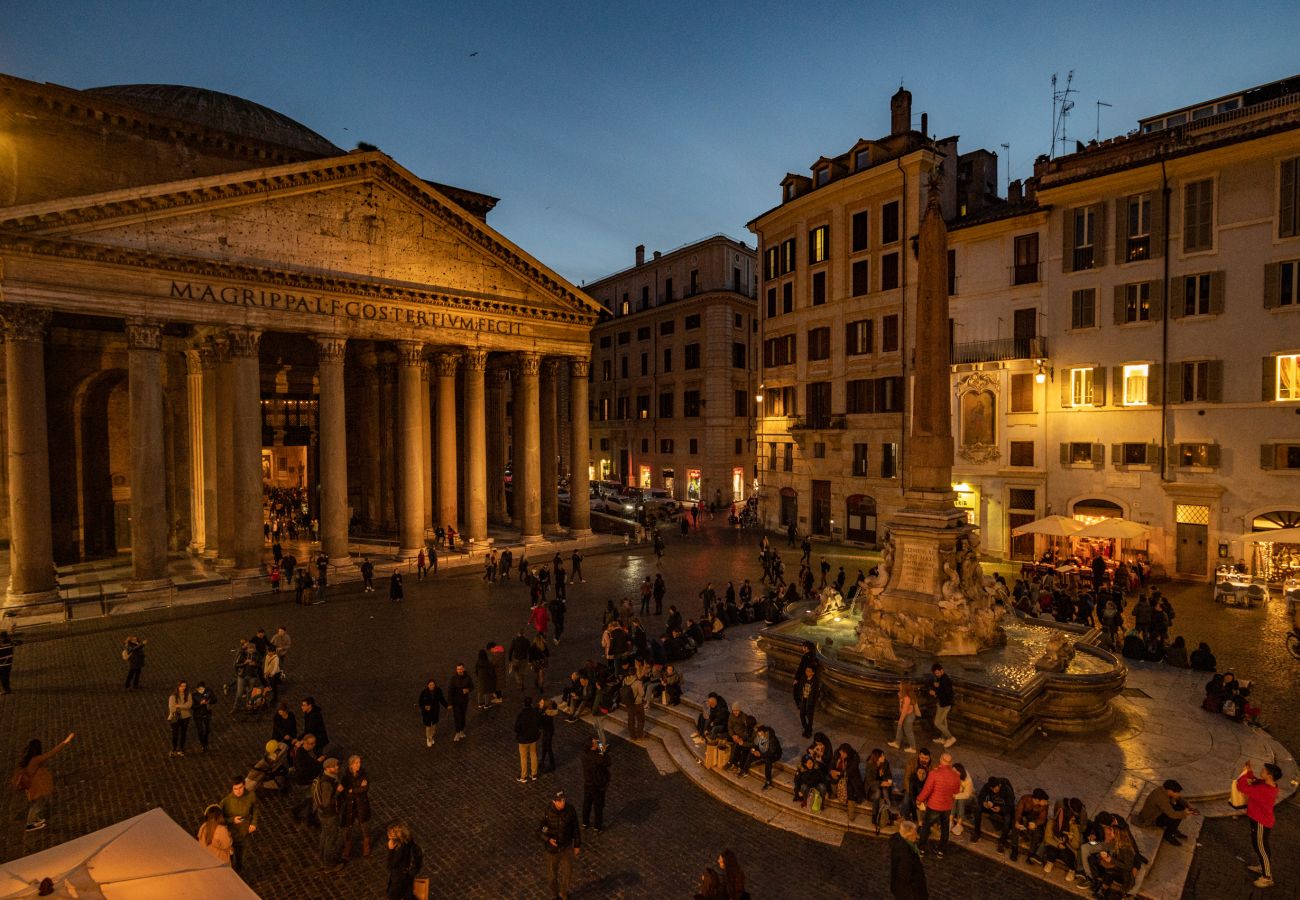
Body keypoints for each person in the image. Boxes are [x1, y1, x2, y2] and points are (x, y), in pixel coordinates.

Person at [12, 732, 74, 831]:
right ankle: (30, 824)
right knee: (37, 804)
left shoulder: (27, 758)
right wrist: (65, 742)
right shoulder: (36, 759)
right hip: (34, 785)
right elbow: (52, 753)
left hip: (31, 784)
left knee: (36, 802)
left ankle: (35, 819)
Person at [1236, 761, 1280, 888]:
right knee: (1260, 846)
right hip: (1259, 820)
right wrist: (1249, 772)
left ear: (1270, 776)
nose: (1261, 771)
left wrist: (1244, 775)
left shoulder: (1266, 790)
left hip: (1261, 822)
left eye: (1264, 771)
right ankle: (1263, 867)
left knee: (1261, 848)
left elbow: (1242, 788)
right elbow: (1255, 780)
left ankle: (1267, 877)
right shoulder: (1267, 784)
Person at [916, 752, 960, 857]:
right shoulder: (956, 776)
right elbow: (956, 790)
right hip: (947, 806)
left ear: (941, 760)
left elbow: (927, 790)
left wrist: (919, 799)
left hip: (934, 805)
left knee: (926, 827)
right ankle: (941, 851)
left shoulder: (934, 773)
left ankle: (921, 849)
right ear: (950, 762)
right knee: (945, 829)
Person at [540, 790, 581, 900]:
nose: (562, 803)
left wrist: (577, 845)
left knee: (567, 873)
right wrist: (548, 839)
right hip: (552, 850)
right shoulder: (548, 811)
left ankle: (564, 893)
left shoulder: (570, 810)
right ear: (554, 801)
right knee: (551, 877)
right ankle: (555, 895)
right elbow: (540, 830)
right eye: (559, 801)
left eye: (563, 800)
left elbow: (576, 828)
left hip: (566, 847)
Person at [1135, 778, 1198, 846]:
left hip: (1158, 812)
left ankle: (1173, 830)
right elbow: (1172, 814)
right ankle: (1169, 835)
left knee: (1180, 807)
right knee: (1177, 815)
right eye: (1177, 792)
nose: (1178, 794)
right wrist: (1185, 813)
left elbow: (1178, 798)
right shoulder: (1161, 798)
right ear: (1170, 791)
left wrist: (1187, 804)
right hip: (1152, 818)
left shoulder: (1164, 790)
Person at [220, 776, 258, 872]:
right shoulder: (226, 802)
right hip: (230, 835)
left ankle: (239, 867)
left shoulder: (251, 796)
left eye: (240, 788)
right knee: (231, 855)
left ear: (244, 785)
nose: (238, 791)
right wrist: (232, 820)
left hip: (244, 832)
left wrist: (253, 823)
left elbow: (255, 809)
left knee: (241, 853)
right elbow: (220, 820)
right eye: (235, 789)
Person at [313, 758, 343, 872]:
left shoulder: (324, 777)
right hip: (329, 814)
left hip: (322, 814)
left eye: (336, 765)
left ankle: (322, 858)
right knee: (330, 839)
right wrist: (338, 792)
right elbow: (326, 802)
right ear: (327, 769)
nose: (336, 768)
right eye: (333, 766)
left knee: (325, 835)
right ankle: (329, 865)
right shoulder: (328, 783)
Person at [340, 755, 372, 859]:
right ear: (351, 765)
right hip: (350, 805)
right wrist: (357, 789)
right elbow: (344, 791)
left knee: (364, 824)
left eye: (359, 762)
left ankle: (366, 844)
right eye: (356, 763)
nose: (359, 765)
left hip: (361, 804)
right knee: (348, 826)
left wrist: (353, 790)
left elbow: (365, 789)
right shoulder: (346, 777)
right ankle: (347, 846)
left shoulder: (363, 774)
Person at [1008, 787, 1050, 862]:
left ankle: (1031, 854)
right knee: (1015, 825)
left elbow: (1042, 819)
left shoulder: (1044, 806)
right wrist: (1017, 822)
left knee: (1037, 833)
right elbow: (1018, 811)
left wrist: (1035, 823)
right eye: (1044, 800)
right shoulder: (1025, 799)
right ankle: (1014, 849)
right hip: (1024, 817)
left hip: (1034, 820)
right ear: (1037, 800)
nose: (1046, 802)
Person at [971, 775, 1015, 846]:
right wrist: (984, 803)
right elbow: (980, 797)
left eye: (995, 789)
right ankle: (977, 833)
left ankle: (1002, 841)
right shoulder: (988, 786)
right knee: (978, 809)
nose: (994, 791)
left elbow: (1010, 807)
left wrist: (1000, 809)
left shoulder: (1007, 790)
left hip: (1003, 809)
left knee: (1007, 819)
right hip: (991, 806)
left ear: (999, 785)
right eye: (992, 789)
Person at [890, 819, 929, 900]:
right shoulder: (905, 855)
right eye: (915, 833)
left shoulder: (899, 842)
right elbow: (904, 878)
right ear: (909, 834)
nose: (917, 836)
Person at [290, 734, 324, 823]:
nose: (313, 745)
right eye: (311, 743)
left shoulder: (309, 751)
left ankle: (307, 816)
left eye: (314, 743)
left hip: (309, 779)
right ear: (305, 743)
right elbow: (304, 769)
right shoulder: (301, 754)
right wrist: (317, 762)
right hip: (304, 781)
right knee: (310, 799)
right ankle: (303, 814)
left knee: (310, 799)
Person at [829, 743, 867, 822]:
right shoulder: (837, 754)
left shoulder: (854, 758)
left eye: (844, 754)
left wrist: (839, 773)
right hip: (839, 774)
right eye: (841, 753)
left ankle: (851, 813)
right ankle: (835, 793)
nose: (842, 755)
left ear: (848, 752)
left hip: (851, 777)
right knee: (832, 779)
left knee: (850, 789)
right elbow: (831, 764)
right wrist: (831, 771)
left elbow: (851, 771)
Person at [581, 735, 611, 831]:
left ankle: (585, 822)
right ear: (592, 746)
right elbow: (607, 762)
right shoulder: (596, 757)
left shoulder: (584, 754)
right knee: (598, 805)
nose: (597, 743)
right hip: (597, 785)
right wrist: (602, 751)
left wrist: (600, 750)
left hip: (588, 783)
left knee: (587, 803)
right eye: (595, 742)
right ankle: (597, 826)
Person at [386, 823, 423, 900]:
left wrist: (391, 850)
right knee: (407, 895)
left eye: (390, 834)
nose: (388, 835)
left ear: (396, 837)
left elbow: (390, 865)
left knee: (393, 896)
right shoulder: (408, 841)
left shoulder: (400, 850)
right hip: (408, 874)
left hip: (400, 877)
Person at [740, 724, 781, 790]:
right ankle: (745, 770)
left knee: (768, 760)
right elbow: (755, 744)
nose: (759, 735)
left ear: (765, 732)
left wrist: (760, 755)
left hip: (774, 755)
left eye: (761, 733)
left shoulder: (772, 739)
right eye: (758, 734)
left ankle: (768, 782)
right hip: (763, 751)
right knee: (750, 753)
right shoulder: (759, 736)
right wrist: (753, 750)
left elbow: (771, 752)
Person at [515, 695, 543, 783]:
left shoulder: (521, 715)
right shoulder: (535, 713)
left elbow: (516, 728)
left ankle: (523, 776)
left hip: (523, 739)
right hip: (533, 738)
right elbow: (539, 724)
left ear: (524, 704)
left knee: (523, 757)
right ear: (531, 703)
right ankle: (534, 774)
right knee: (533, 755)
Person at [928, 663, 956, 748]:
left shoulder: (945, 680)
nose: (937, 675)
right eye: (935, 673)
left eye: (938, 673)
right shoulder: (940, 678)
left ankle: (950, 738)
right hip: (941, 703)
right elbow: (941, 689)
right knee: (943, 721)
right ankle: (943, 738)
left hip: (945, 705)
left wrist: (935, 693)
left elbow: (947, 694)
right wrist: (936, 687)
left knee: (937, 723)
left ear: (942, 670)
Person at [889, 680, 918, 753]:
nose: (899, 686)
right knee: (900, 729)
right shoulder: (903, 696)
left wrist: (900, 721)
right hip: (906, 715)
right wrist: (900, 698)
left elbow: (904, 711)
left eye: (900, 685)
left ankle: (913, 748)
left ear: (904, 688)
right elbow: (901, 708)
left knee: (908, 732)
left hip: (908, 717)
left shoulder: (907, 698)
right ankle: (897, 743)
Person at [418, 678, 449, 747]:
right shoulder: (424, 692)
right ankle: (428, 738)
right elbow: (420, 702)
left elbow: (441, 699)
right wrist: (425, 707)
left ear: (435, 685)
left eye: (433, 685)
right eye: (430, 685)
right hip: (427, 712)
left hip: (435, 711)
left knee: (434, 725)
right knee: (428, 726)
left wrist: (446, 705)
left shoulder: (438, 691)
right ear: (428, 685)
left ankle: (432, 736)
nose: (431, 686)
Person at [167, 680, 193, 758]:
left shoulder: (188, 695)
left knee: (183, 734)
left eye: (185, 686)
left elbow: (189, 705)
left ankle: (181, 748)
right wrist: (183, 706)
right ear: (178, 686)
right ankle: (174, 748)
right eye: (181, 686)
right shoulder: (173, 696)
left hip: (186, 717)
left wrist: (178, 706)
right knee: (175, 734)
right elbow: (172, 709)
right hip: (175, 717)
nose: (183, 688)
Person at [448, 663, 473, 741]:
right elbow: (450, 691)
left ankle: (461, 730)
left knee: (462, 716)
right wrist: (450, 703)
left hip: (464, 701)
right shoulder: (453, 679)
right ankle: (457, 732)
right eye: (458, 669)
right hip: (456, 702)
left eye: (460, 669)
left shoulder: (468, 678)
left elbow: (472, 687)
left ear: (463, 669)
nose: (459, 670)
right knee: (457, 717)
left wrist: (468, 690)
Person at [795, 664, 819, 739]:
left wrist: (813, 701)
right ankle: (806, 728)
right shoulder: (803, 678)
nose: (807, 672)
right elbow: (799, 688)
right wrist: (799, 698)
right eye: (806, 670)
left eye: (809, 671)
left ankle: (809, 731)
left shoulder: (815, 681)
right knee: (802, 715)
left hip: (810, 702)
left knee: (809, 717)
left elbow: (816, 693)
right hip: (803, 699)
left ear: (813, 673)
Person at [191, 681, 216, 752]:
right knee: (200, 731)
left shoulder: (209, 692)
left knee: (208, 729)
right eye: (200, 689)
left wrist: (209, 701)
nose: (201, 690)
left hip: (207, 714)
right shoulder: (194, 695)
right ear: (197, 689)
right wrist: (200, 703)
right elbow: (192, 706)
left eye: (202, 689)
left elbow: (215, 699)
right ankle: (203, 744)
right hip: (198, 715)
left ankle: (205, 740)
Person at [538, 698, 558, 773]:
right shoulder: (545, 712)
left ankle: (552, 765)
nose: (539, 703)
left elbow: (542, 723)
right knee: (544, 746)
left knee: (548, 748)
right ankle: (542, 761)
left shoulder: (547, 713)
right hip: (546, 731)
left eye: (541, 703)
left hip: (548, 732)